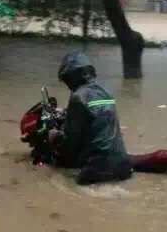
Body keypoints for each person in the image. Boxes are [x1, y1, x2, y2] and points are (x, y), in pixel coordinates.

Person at [49, 52, 132, 185]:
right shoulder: (107, 91)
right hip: (124, 166)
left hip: (97, 168)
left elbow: (71, 142)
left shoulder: (77, 97)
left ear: (74, 76)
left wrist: (55, 137)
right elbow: (97, 114)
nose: (68, 84)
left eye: (67, 79)